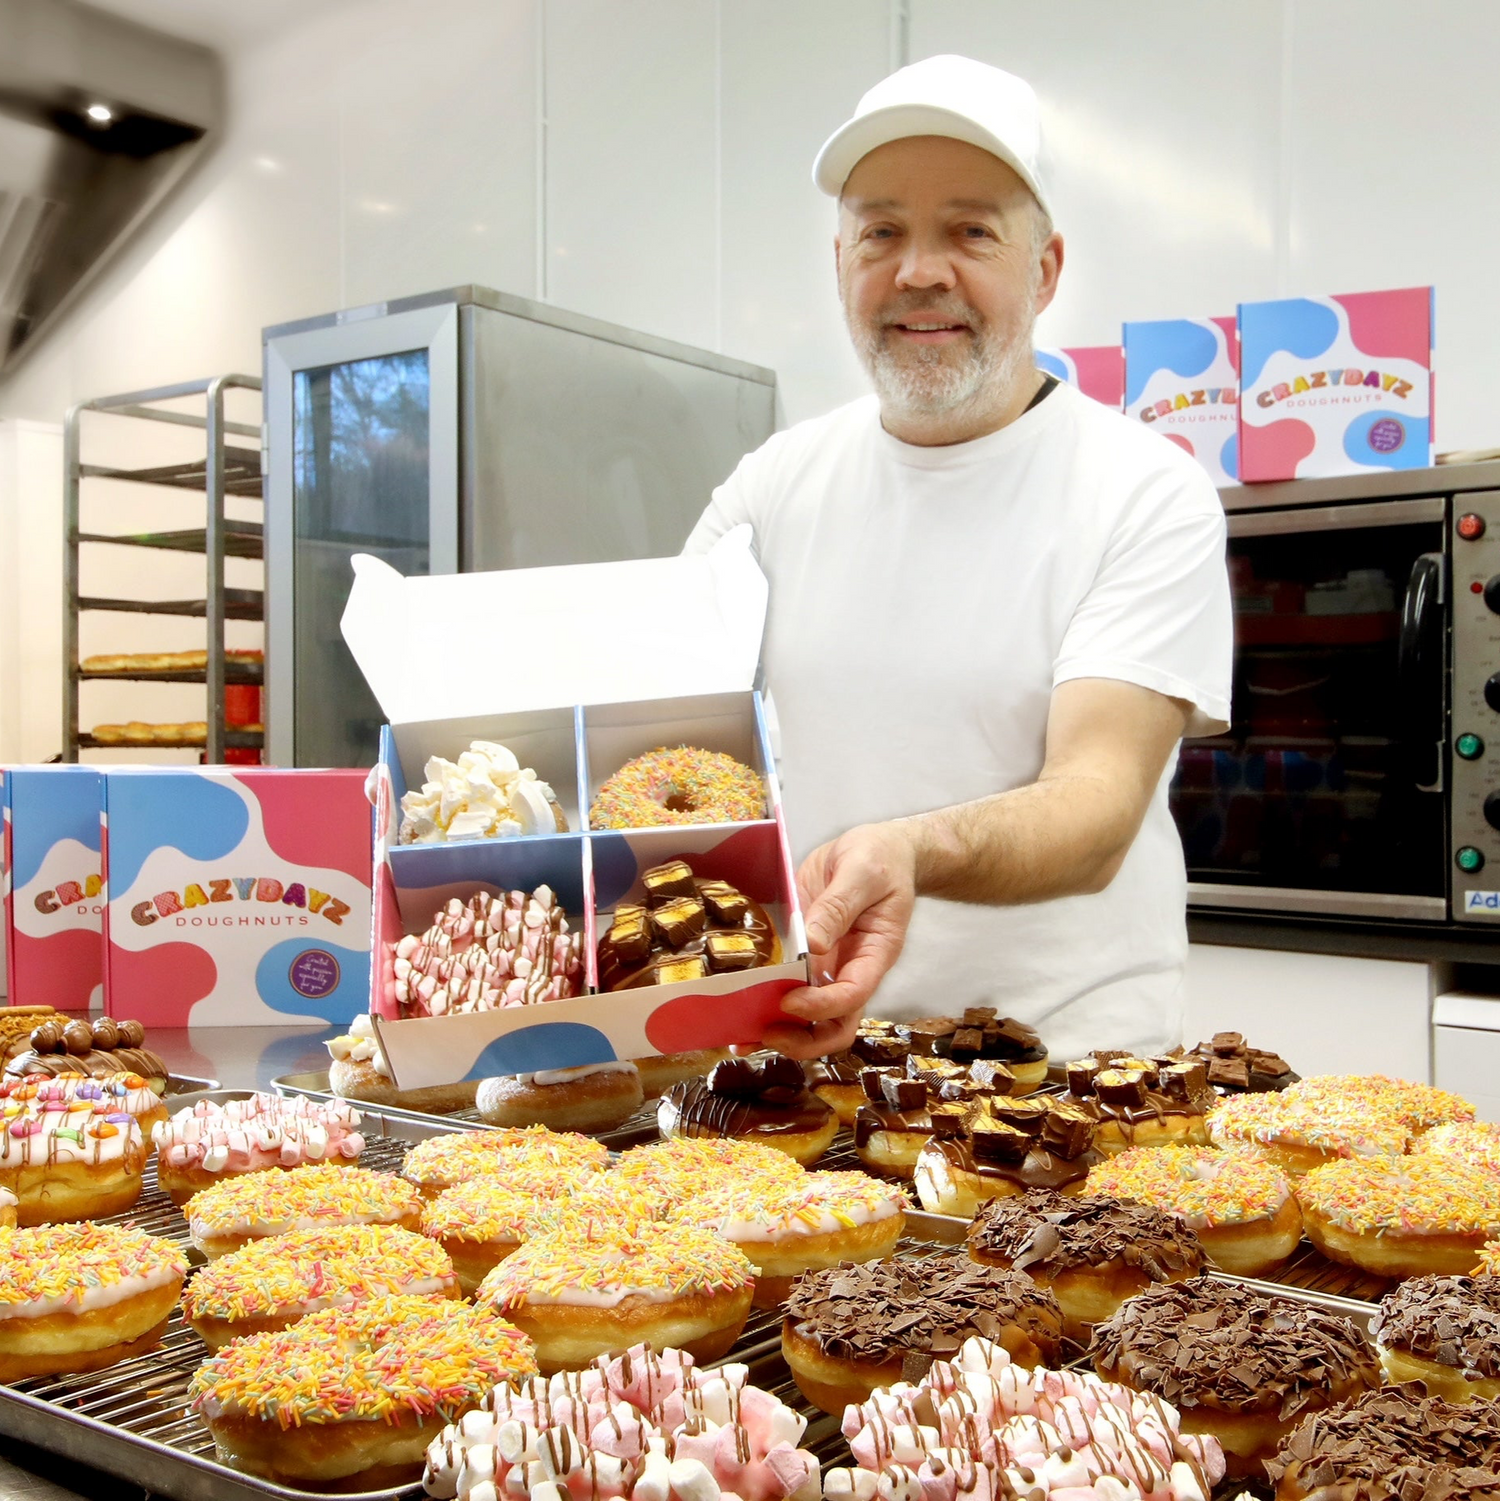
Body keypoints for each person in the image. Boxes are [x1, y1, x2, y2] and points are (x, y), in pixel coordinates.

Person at [684, 55, 1232, 1063]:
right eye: (882, 232)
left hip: (1065, 1081)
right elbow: (647, 731)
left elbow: (1098, 804)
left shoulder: (1142, 488)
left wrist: (909, 849)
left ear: (1046, 268)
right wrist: (481, 790)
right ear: (840, 261)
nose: (920, 271)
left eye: (970, 231)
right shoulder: (769, 488)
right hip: (813, 1057)